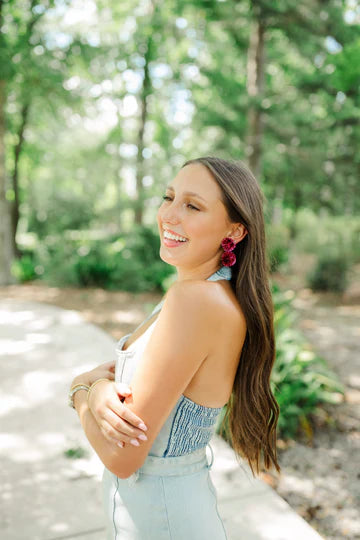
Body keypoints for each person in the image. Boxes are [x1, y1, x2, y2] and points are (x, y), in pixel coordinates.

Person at [68, 156, 280, 539]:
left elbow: (123, 456)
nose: (169, 215)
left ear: (234, 231)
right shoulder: (202, 295)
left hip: (164, 519)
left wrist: (82, 390)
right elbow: (137, 381)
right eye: (169, 197)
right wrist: (97, 387)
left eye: (192, 205)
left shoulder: (195, 301)